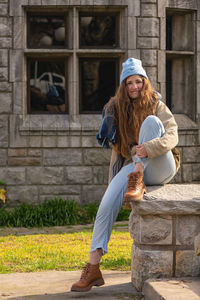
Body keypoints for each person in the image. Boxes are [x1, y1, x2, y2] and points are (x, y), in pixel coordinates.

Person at [71, 57, 179, 292]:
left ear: (144, 82)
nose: (134, 87)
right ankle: (93, 267)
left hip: (161, 165)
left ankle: (138, 174)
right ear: (123, 86)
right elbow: (118, 154)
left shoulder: (156, 103)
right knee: (105, 204)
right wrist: (116, 185)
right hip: (134, 168)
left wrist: (148, 148)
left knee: (150, 123)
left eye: (138, 81)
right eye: (129, 82)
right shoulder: (115, 109)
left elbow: (172, 136)